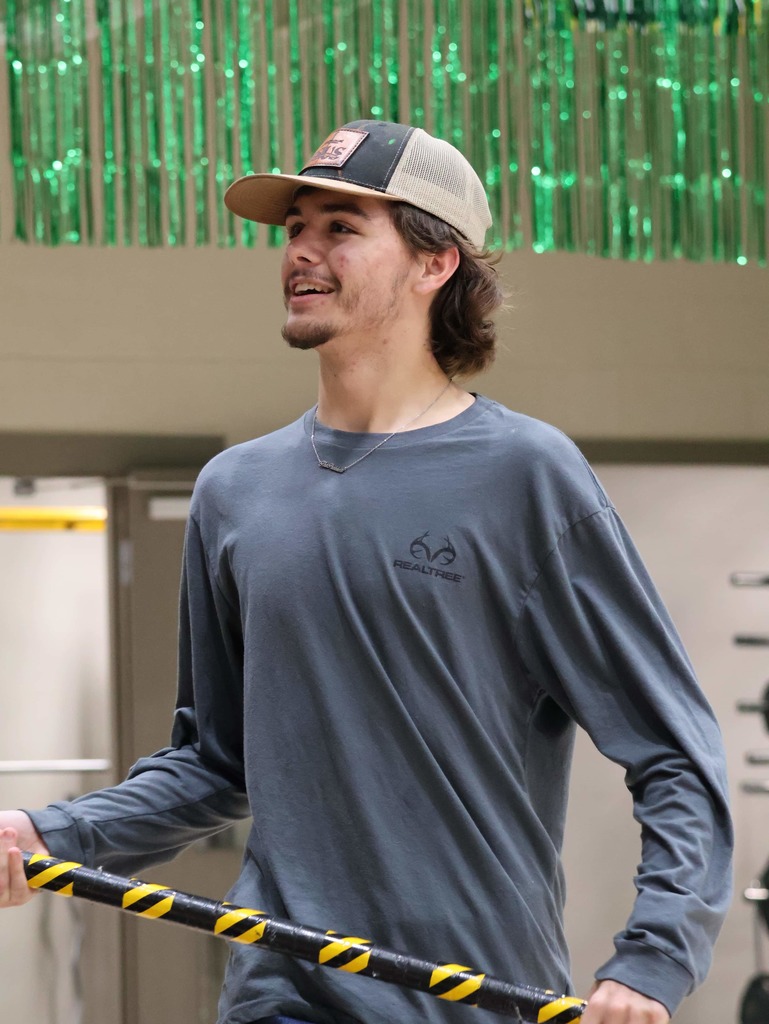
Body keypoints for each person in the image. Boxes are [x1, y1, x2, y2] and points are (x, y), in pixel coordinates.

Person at [0, 120, 732, 1024]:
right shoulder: (234, 491)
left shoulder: (526, 478)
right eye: (294, 227)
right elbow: (214, 763)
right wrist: (48, 833)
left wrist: (651, 962)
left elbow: (674, 754)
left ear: (435, 265)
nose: (301, 250)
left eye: (340, 227)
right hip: (281, 993)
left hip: (472, 996)